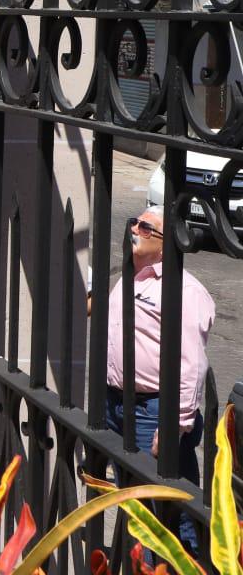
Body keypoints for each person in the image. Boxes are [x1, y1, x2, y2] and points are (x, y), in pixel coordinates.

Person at [100, 206, 215, 553]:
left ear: (168, 243)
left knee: (168, 511)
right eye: (134, 222)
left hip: (154, 410)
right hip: (117, 403)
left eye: (146, 227)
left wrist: (174, 423)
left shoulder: (183, 290)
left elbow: (190, 363)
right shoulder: (130, 276)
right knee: (133, 506)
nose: (135, 229)